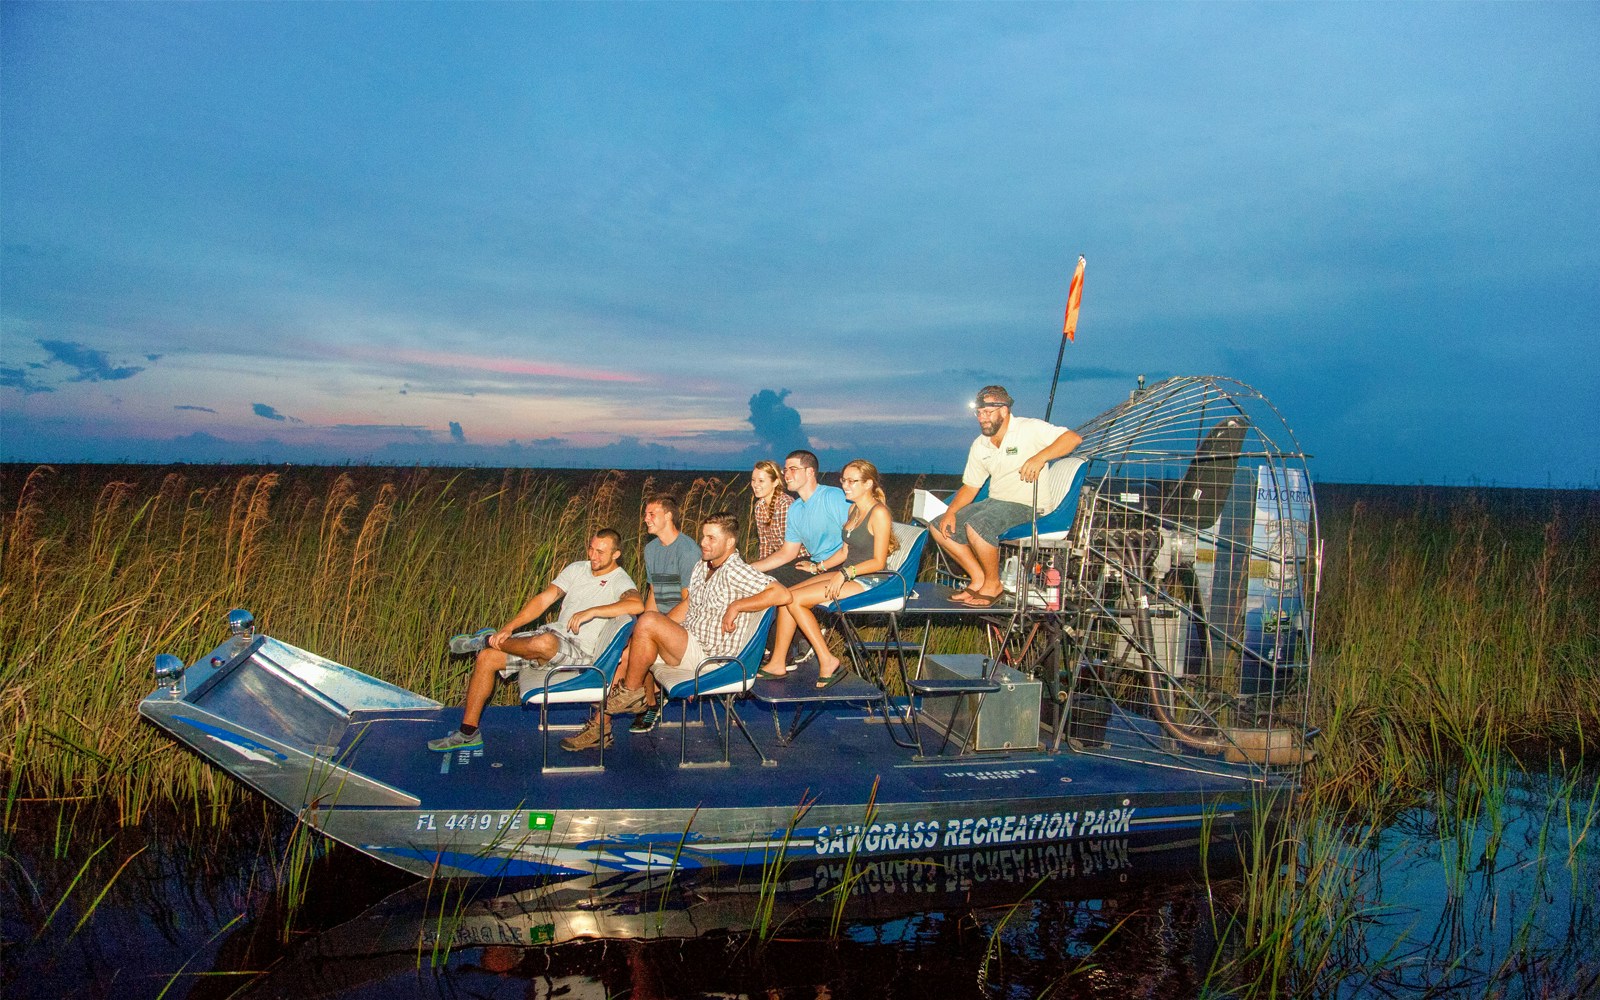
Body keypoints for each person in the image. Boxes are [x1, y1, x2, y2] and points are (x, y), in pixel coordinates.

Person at [562, 512, 790, 749]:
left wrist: (737, 605)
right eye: (703, 536)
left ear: (730, 542)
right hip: (688, 643)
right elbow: (689, 604)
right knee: (627, 654)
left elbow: (782, 593)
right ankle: (600, 729)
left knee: (648, 621)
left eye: (711, 538)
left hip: (710, 657)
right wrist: (651, 629)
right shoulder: (703, 566)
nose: (703, 542)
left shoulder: (737, 570)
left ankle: (631, 693)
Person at [428, 529, 637, 752]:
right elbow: (544, 599)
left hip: (580, 652)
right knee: (488, 659)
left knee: (543, 642)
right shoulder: (577, 569)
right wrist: (509, 627)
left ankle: (486, 640)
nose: (593, 556)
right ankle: (468, 733)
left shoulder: (619, 579)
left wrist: (593, 611)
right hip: (553, 636)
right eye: (591, 549)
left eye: (601, 552)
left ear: (616, 554)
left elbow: (636, 604)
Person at [933, 385, 1082, 607]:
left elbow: (1073, 439)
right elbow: (970, 487)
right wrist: (951, 513)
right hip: (995, 503)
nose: (982, 418)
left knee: (979, 525)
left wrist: (1040, 457)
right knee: (938, 526)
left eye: (988, 412)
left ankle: (994, 585)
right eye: (979, 413)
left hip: (1029, 506)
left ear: (1003, 410)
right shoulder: (981, 444)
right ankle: (978, 579)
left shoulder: (1029, 428)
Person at [759, 459, 897, 688]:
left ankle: (827, 659)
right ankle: (777, 662)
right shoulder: (854, 509)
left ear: (868, 484)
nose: (845, 485)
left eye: (852, 481)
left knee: (795, 600)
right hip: (850, 572)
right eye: (844, 480)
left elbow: (878, 561)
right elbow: (844, 551)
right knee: (785, 595)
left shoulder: (879, 513)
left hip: (871, 579)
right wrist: (817, 567)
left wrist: (844, 573)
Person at [749, 449, 849, 666]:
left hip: (840, 565)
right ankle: (774, 653)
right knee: (764, 583)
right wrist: (751, 568)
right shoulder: (796, 509)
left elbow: (854, 539)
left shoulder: (833, 497)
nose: (787, 474)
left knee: (777, 591)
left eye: (793, 469)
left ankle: (785, 654)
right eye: (785, 470)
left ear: (810, 472)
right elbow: (788, 552)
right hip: (814, 563)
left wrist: (820, 567)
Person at [749, 460, 792, 562]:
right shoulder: (759, 506)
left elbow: (790, 549)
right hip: (779, 560)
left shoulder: (785, 504)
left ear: (775, 482)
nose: (755, 485)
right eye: (753, 480)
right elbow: (765, 545)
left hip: (797, 559)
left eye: (761, 481)